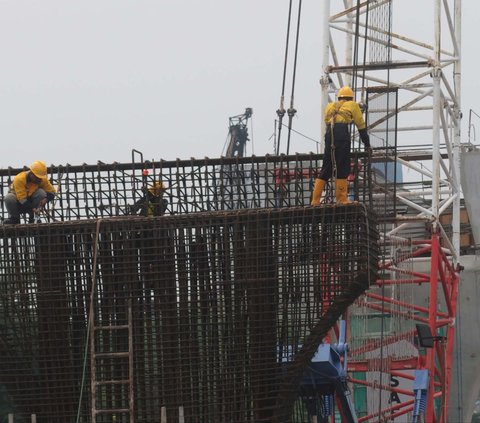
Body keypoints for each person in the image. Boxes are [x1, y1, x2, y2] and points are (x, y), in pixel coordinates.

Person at [311, 86, 370, 205]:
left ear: (339, 97)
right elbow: (361, 126)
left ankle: (315, 200)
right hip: (342, 134)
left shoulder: (330, 106)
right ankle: (341, 199)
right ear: (351, 98)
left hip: (329, 135)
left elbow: (327, 121)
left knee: (326, 167)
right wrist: (367, 144)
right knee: (342, 166)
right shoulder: (353, 105)